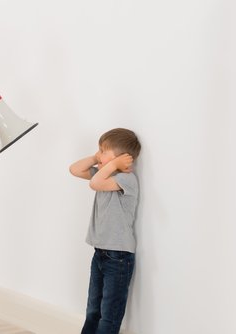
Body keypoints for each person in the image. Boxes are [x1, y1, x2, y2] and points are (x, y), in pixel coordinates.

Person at [69, 128, 141, 334]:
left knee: (109, 316)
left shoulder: (126, 179)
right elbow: (74, 169)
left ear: (121, 159)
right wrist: (97, 158)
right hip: (100, 253)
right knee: (93, 310)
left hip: (118, 257)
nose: (98, 154)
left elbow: (95, 183)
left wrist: (114, 165)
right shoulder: (105, 175)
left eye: (103, 151)